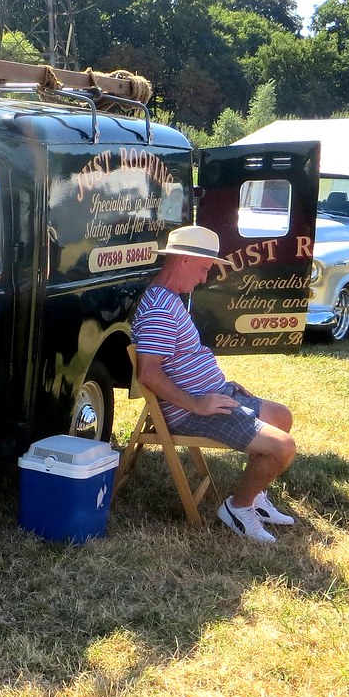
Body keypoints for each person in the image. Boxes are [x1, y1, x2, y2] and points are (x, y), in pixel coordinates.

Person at [131, 225, 297, 544]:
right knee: (283, 447)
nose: (204, 278)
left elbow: (183, 357)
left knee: (282, 416)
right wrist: (198, 404)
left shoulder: (168, 298)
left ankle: (256, 498)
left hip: (213, 395)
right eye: (204, 268)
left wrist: (219, 384)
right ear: (183, 260)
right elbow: (148, 374)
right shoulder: (158, 310)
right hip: (191, 411)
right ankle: (238, 508)